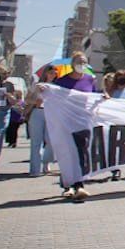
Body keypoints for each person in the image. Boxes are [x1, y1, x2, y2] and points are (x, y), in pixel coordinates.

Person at [53, 51, 99, 200]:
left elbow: (95, 97)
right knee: (68, 152)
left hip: (82, 122)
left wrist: (103, 98)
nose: (82, 64)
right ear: (72, 64)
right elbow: (53, 97)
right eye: (79, 61)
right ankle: (68, 185)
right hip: (66, 121)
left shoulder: (90, 80)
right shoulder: (62, 81)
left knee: (82, 153)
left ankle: (79, 184)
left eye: (84, 62)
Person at [24, 65, 59, 176]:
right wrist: (35, 101)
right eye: (51, 73)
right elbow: (27, 99)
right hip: (37, 112)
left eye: (55, 73)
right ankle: (35, 169)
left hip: (51, 114)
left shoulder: (57, 87)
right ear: (46, 73)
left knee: (51, 141)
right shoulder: (37, 85)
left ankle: (46, 161)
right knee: (36, 142)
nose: (53, 75)